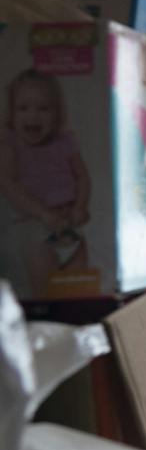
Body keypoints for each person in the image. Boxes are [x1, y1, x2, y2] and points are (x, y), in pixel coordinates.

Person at [0, 70, 90, 298]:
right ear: (11, 113)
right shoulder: (11, 144)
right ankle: (46, 309)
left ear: (57, 114)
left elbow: (82, 177)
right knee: (45, 289)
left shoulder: (65, 141)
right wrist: (42, 213)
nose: (33, 116)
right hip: (34, 225)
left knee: (78, 276)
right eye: (23, 108)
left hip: (69, 223)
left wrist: (80, 206)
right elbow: (8, 184)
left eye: (44, 108)